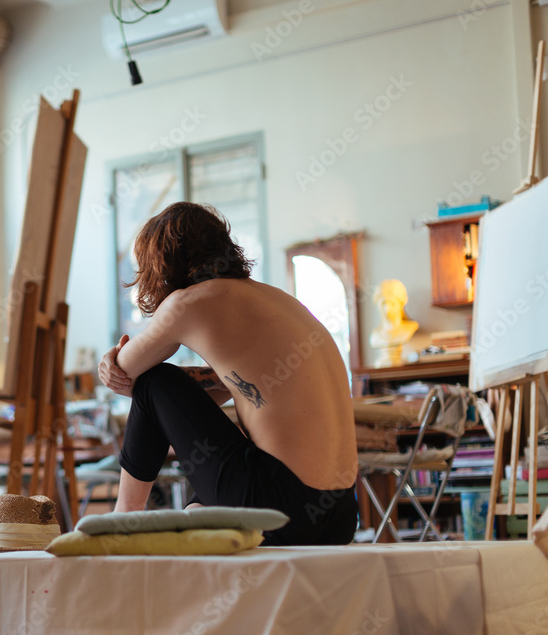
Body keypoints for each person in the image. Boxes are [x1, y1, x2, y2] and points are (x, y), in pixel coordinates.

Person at [98, 202, 358, 545]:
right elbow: (235, 384)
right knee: (218, 460)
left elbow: (128, 376)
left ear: (161, 264)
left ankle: (122, 522)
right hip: (340, 516)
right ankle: (196, 516)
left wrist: (110, 358)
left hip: (279, 507)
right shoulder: (282, 302)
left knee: (155, 380)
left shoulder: (187, 304)